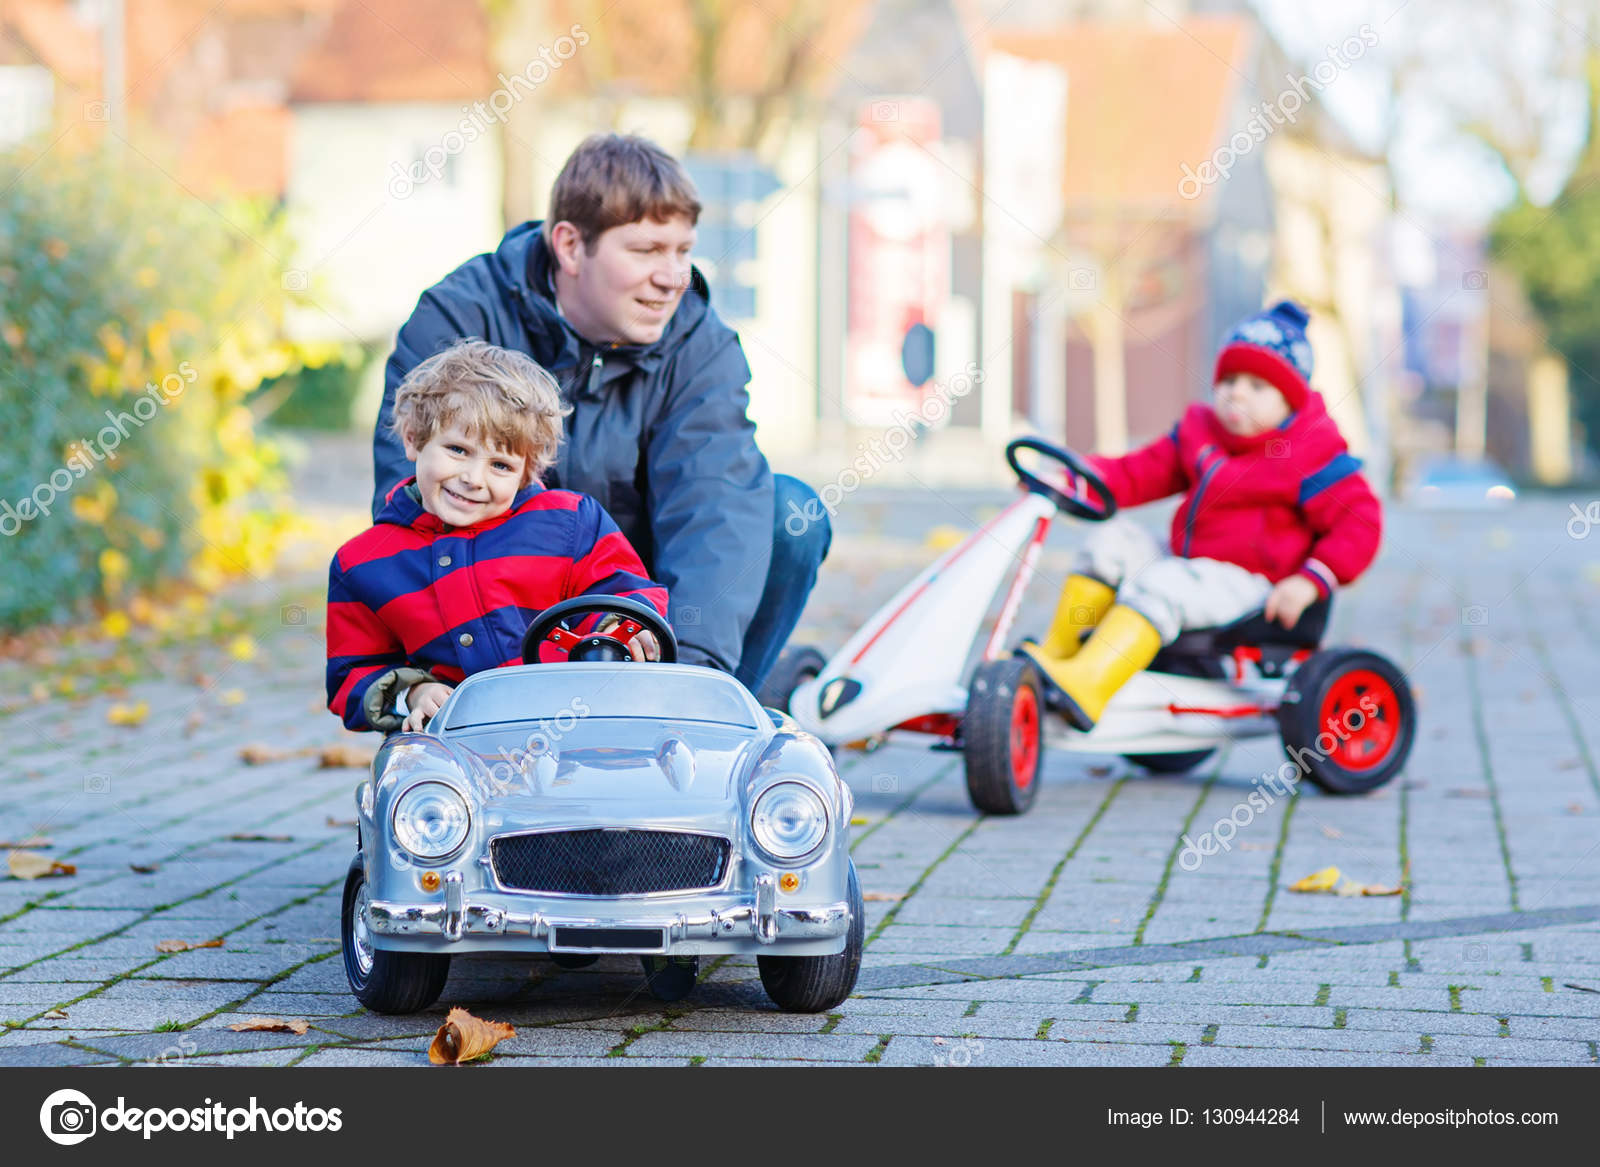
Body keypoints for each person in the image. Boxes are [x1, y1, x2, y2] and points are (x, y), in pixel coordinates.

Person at [370, 133, 828, 693]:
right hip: (504, 594)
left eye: (683, 251)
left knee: (791, 514)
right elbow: (411, 505)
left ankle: (714, 714)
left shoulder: (699, 345)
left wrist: (687, 682)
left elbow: (715, 508)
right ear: (569, 246)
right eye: (646, 251)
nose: (673, 277)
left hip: (644, 599)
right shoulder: (461, 316)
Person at [1020, 300, 1382, 731]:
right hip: (1194, 570)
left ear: (1290, 402)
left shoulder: (1310, 452)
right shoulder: (1201, 434)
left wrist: (1310, 580)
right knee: (1113, 541)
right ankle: (1059, 655)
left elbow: (1360, 520)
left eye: (1257, 386)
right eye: (1228, 380)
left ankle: (1088, 683)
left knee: (1165, 584)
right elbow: (1138, 473)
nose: (1237, 393)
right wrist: (1074, 481)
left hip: (1255, 588)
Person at [329, 340, 667, 734]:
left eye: (500, 465)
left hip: (580, 729)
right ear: (413, 438)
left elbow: (627, 593)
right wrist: (414, 694)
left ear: (528, 472)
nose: (474, 479)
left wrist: (617, 631)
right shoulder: (362, 563)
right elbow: (353, 673)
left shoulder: (571, 522)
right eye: (457, 449)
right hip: (455, 746)